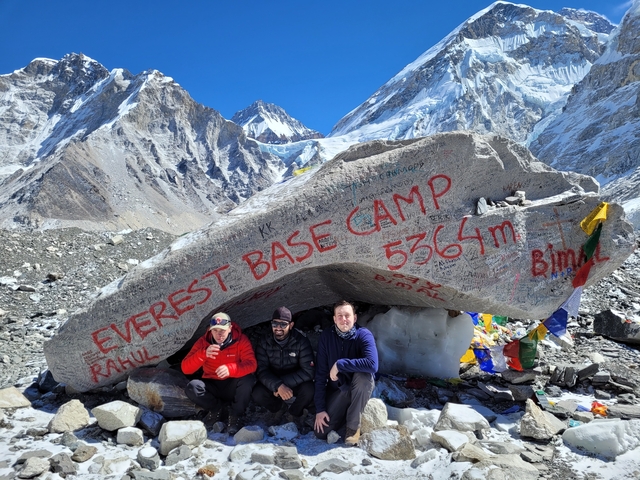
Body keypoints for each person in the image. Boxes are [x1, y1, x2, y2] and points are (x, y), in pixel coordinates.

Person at [314, 300, 378, 446]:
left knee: (364, 377)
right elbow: (320, 374)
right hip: (339, 391)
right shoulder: (326, 337)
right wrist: (320, 409)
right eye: (340, 316)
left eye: (347, 315)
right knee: (320, 433)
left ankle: (352, 427)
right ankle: (344, 414)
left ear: (354, 318)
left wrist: (340, 365)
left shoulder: (364, 335)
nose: (344, 319)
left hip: (357, 387)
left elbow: (372, 364)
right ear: (334, 319)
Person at [181, 312, 257, 435]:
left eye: (222, 330)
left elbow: (252, 365)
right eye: (215, 330)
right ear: (210, 330)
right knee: (193, 387)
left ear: (230, 328)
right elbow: (186, 368)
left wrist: (232, 369)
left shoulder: (241, 340)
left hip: (232, 383)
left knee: (247, 380)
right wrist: (202, 354)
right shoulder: (203, 342)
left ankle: (235, 416)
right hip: (212, 384)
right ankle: (216, 409)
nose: (219, 334)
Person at [251, 306, 315, 427]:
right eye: (275, 324)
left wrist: (282, 385)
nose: (278, 328)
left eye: (283, 324)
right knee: (257, 393)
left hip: (294, 382)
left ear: (291, 325)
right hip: (272, 381)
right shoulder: (264, 341)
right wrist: (277, 386)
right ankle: (278, 408)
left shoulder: (301, 341)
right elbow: (261, 370)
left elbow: (309, 371)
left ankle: (295, 413)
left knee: (309, 389)